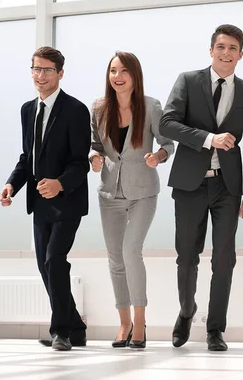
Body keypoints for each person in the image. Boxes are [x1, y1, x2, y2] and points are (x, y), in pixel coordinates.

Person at [159, 24, 243, 352]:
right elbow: (167, 123)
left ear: (240, 54)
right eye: (220, 47)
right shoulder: (188, 81)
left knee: (224, 258)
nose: (226, 53)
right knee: (187, 257)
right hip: (190, 185)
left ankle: (215, 329)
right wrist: (208, 139)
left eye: (233, 48)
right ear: (211, 50)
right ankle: (187, 311)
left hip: (227, 188)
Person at [0, 46, 90, 351]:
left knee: (54, 261)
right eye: (35, 69)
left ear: (60, 74)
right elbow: (29, 157)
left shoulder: (76, 110)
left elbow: (81, 162)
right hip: (39, 203)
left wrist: (59, 184)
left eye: (47, 70)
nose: (40, 76)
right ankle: (76, 327)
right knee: (45, 266)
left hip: (67, 201)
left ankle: (60, 331)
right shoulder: (28, 109)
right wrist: (12, 184)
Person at [89, 51, 174, 350]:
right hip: (109, 191)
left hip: (143, 191)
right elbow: (95, 143)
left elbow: (167, 143)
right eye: (113, 70)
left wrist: (158, 157)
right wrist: (94, 156)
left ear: (135, 75)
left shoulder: (151, 106)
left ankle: (140, 321)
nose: (117, 76)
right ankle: (123, 322)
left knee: (130, 251)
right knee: (115, 259)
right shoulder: (99, 108)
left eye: (124, 70)